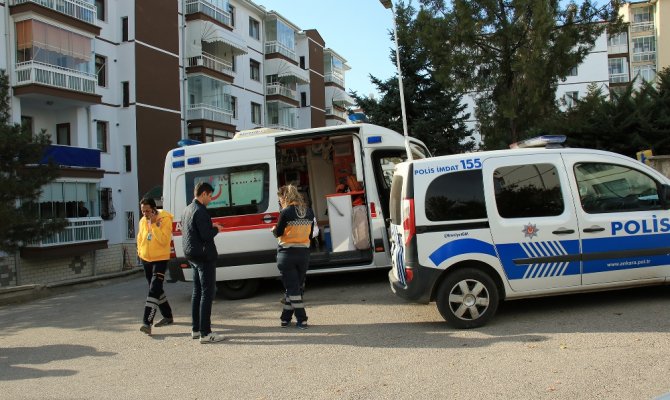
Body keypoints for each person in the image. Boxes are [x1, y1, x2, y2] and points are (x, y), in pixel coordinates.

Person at [181, 182, 225, 343]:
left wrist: (210, 226)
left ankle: (196, 328)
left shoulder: (187, 209)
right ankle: (205, 333)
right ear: (204, 194)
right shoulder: (200, 211)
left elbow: (193, 230)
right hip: (204, 256)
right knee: (208, 293)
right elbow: (206, 235)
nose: (211, 199)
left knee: (197, 292)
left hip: (192, 255)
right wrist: (216, 229)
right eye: (210, 195)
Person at [272, 184, 315, 329]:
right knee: (296, 288)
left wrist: (273, 229)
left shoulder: (285, 212)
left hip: (287, 255)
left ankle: (302, 320)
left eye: (280, 200)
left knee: (293, 289)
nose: (280, 202)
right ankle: (285, 319)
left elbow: (278, 233)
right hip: (303, 255)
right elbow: (310, 235)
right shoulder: (309, 212)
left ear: (285, 197)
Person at [137, 197, 174, 335]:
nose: (145, 213)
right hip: (146, 259)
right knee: (156, 289)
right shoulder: (142, 221)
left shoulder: (164, 218)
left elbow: (164, 240)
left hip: (160, 259)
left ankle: (147, 322)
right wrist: (140, 252)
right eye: (142, 211)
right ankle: (168, 316)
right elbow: (140, 237)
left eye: (147, 210)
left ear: (154, 208)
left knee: (153, 289)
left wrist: (153, 225)